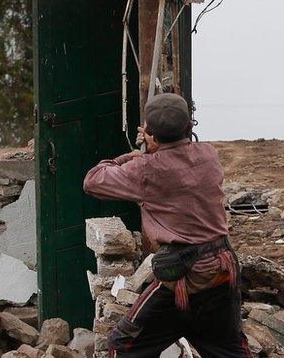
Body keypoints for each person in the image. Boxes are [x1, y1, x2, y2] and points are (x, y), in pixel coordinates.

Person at [84, 93, 251, 358]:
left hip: (187, 277)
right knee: (227, 350)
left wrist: (132, 157)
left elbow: (93, 180)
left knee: (124, 345)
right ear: (189, 126)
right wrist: (155, 149)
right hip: (223, 267)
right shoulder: (208, 155)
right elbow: (178, 161)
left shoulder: (146, 169)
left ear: (150, 132)